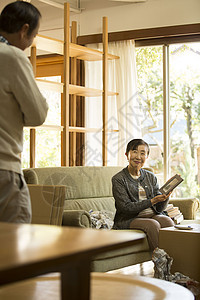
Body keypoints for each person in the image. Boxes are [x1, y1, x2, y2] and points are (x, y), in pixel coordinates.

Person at [0, 1, 48, 223]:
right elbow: (37, 115)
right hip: (4, 169)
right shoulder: (12, 56)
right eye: (34, 35)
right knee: (14, 247)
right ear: (24, 29)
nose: (31, 42)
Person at [112, 139, 174, 250]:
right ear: (127, 155)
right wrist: (152, 201)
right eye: (134, 152)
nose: (138, 157)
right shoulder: (118, 179)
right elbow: (125, 208)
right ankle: (160, 261)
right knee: (152, 225)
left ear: (147, 157)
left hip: (151, 215)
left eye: (142, 153)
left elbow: (159, 209)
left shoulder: (151, 177)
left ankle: (175, 258)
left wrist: (165, 198)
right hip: (128, 219)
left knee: (167, 221)